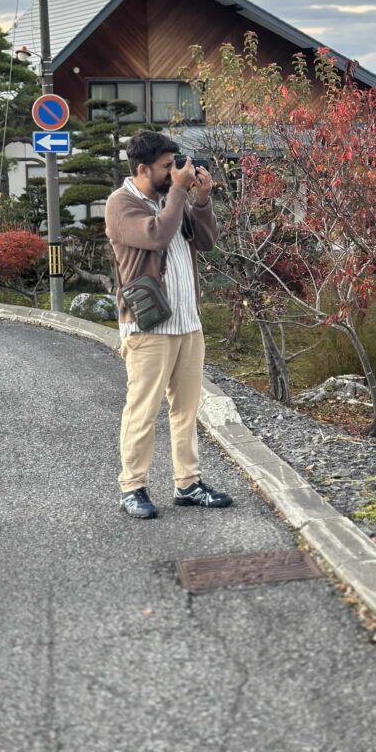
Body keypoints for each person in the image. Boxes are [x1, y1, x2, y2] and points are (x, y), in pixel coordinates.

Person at [105, 130, 232, 519]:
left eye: (174, 165)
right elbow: (157, 236)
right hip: (148, 327)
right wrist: (179, 193)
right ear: (142, 168)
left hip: (187, 323)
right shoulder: (121, 204)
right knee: (142, 410)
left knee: (186, 410)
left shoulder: (169, 199)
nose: (173, 172)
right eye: (165, 166)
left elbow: (207, 241)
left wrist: (203, 198)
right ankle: (133, 487)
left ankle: (188, 482)